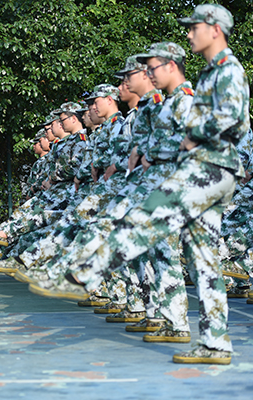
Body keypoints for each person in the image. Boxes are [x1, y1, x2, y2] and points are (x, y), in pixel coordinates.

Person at [33, 4, 250, 365]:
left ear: (214, 29)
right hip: (207, 167)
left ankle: (85, 272)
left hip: (211, 168)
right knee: (202, 260)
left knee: (147, 216)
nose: (189, 34)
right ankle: (215, 343)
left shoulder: (228, 70)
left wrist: (190, 137)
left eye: (194, 27)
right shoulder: (213, 72)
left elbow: (232, 123)